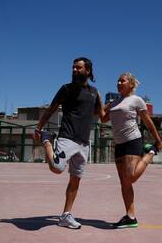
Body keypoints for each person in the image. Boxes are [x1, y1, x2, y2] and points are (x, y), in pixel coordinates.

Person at [34, 57, 102, 229]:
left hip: (84, 142)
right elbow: (51, 108)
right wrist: (39, 128)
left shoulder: (95, 92)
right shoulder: (66, 89)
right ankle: (47, 140)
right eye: (73, 67)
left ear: (88, 71)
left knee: (75, 180)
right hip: (67, 137)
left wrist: (118, 104)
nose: (74, 70)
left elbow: (101, 114)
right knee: (57, 168)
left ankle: (66, 215)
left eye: (78, 68)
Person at [99, 72, 162, 229]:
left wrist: (157, 139)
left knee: (131, 177)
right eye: (118, 81)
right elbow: (103, 118)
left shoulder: (136, 100)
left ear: (131, 84)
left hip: (132, 140)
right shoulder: (115, 102)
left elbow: (147, 121)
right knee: (124, 183)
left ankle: (150, 153)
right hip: (119, 144)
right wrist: (101, 103)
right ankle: (130, 217)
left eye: (122, 80)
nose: (119, 83)